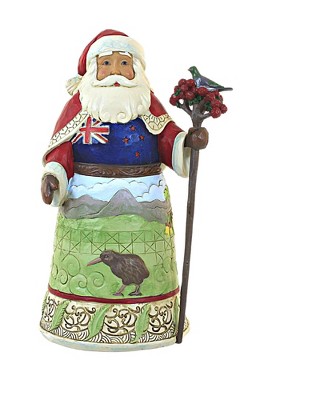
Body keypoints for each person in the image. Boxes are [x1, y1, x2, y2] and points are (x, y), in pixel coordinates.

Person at [39, 29, 208, 350]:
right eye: (106, 63)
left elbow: (168, 139)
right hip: (85, 192)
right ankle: (75, 316)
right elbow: (61, 148)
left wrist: (188, 142)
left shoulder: (147, 104)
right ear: (93, 69)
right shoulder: (79, 105)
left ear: (136, 69)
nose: (115, 71)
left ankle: (156, 316)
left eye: (123, 63)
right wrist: (54, 176)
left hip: (147, 191)